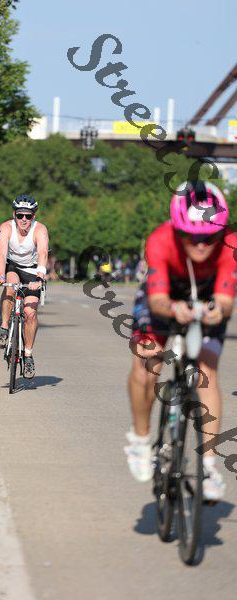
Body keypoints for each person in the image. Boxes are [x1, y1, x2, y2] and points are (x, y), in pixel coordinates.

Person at [125, 181, 237, 501]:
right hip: (166, 294)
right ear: (177, 229)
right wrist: (175, 310)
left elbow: (225, 301)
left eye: (209, 237)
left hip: (207, 294)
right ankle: (140, 440)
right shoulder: (160, 240)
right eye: (192, 236)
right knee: (147, 363)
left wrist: (216, 312)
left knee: (206, 371)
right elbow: (157, 300)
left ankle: (209, 467)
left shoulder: (230, 243)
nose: (201, 245)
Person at [0, 194, 49, 378]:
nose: (24, 219)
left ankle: (28, 355)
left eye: (28, 216)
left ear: (34, 216)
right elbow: (1, 253)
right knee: (10, 286)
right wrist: (1, 276)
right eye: (20, 215)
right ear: (14, 215)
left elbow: (43, 253)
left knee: (30, 313)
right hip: (13, 267)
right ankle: (3, 327)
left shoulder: (40, 229)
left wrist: (40, 277)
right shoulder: (6, 227)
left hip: (33, 271)